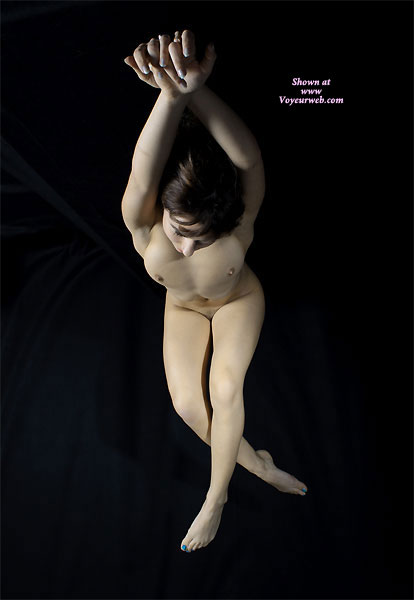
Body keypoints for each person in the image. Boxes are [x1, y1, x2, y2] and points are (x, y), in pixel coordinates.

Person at [122, 29, 308, 554]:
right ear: (162, 209)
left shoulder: (239, 221)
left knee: (225, 389)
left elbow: (248, 161)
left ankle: (216, 497)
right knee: (187, 406)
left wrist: (198, 93)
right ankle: (259, 466)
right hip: (183, 309)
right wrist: (173, 95)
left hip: (236, 303)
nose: (185, 247)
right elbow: (144, 163)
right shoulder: (142, 218)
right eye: (180, 230)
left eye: (200, 238)